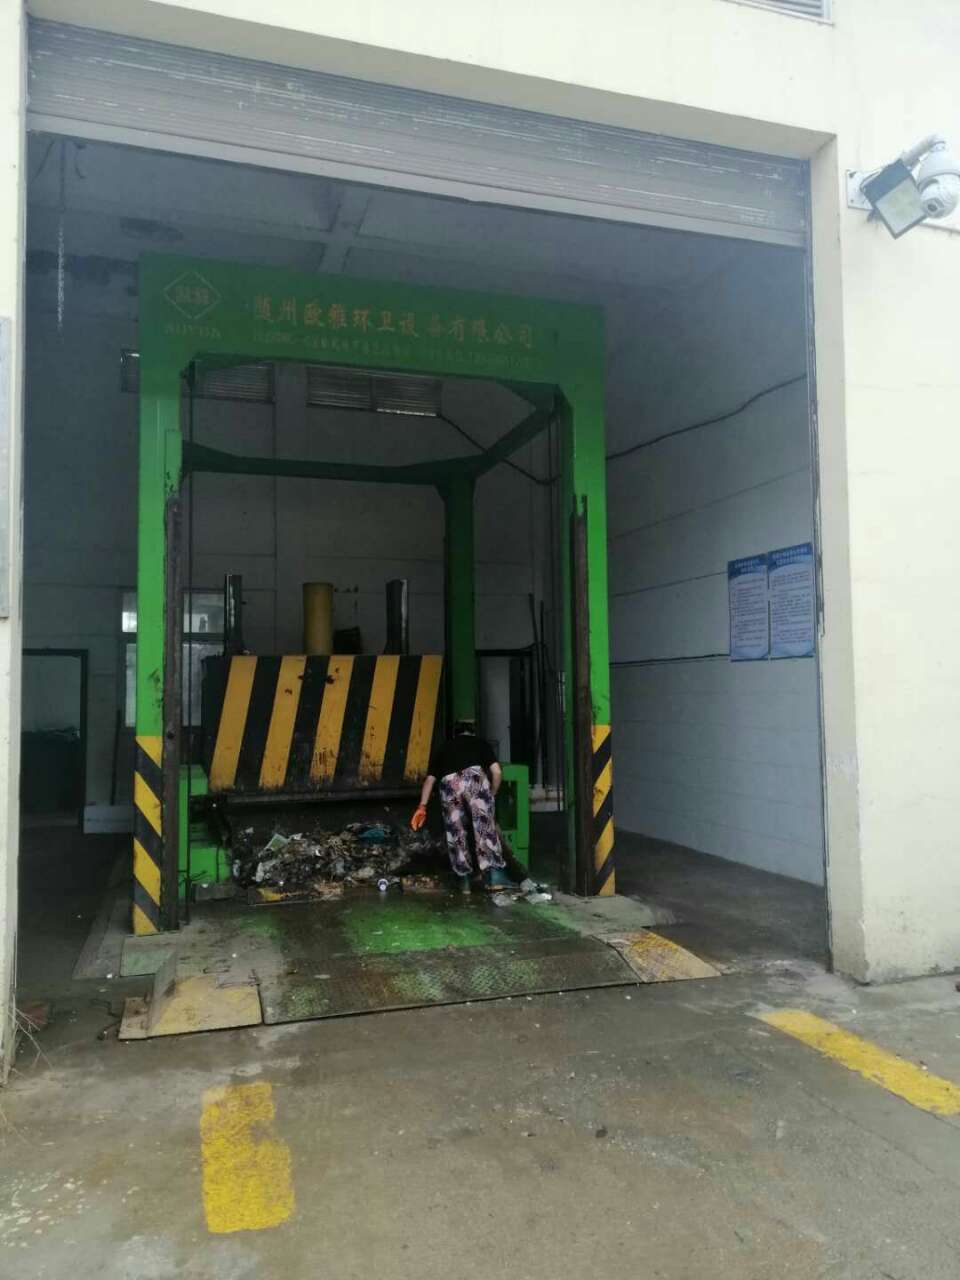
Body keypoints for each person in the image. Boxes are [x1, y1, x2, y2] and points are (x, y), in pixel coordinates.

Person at [411, 720, 507, 890]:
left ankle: (464, 882)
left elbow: (430, 780)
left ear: (455, 733)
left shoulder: (444, 748)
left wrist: (422, 806)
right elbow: (497, 772)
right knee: (484, 827)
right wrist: (492, 793)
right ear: (473, 732)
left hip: (449, 784)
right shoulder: (480, 743)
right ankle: (494, 878)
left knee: (456, 831)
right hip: (474, 779)